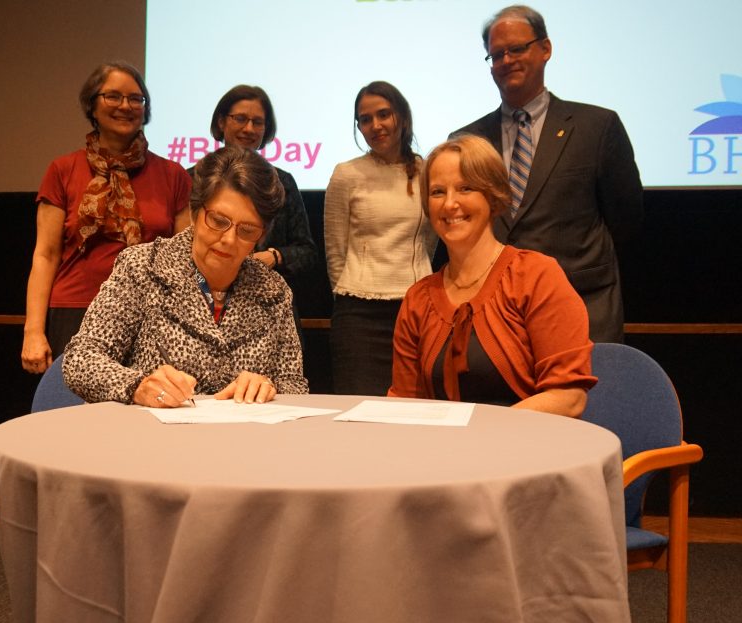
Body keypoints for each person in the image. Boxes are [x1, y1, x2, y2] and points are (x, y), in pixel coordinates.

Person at [62, 145, 309, 407]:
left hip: (241, 440)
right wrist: (137, 386)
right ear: (194, 213)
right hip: (155, 438)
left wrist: (268, 387)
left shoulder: (272, 291)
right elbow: (81, 359)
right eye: (218, 220)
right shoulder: (143, 267)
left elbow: (294, 385)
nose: (228, 240)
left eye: (247, 230)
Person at [452, 5, 642, 343]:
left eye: (517, 48)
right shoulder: (468, 141)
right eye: (496, 55)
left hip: (583, 306)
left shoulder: (597, 128)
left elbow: (625, 220)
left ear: (545, 48)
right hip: (496, 314)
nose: (506, 60)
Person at [389, 135, 596, 416]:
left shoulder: (535, 276)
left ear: (492, 195)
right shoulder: (418, 299)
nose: (450, 204)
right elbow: (404, 402)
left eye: (465, 188)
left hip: (529, 451)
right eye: (438, 192)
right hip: (444, 454)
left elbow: (568, 397)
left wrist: (479, 432)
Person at [21, 61, 192, 374]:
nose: (125, 106)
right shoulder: (62, 170)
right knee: (73, 417)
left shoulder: (173, 175)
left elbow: (186, 258)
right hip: (76, 310)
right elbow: (45, 255)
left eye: (135, 99)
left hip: (151, 313)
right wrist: (33, 331)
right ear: (92, 105)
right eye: (113, 96)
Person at [324, 81, 438, 395]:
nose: (375, 125)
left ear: (401, 116)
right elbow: (335, 252)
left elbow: (430, 241)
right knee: (358, 417)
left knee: (417, 412)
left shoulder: (429, 171)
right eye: (365, 119)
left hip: (417, 311)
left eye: (383, 114)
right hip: (358, 316)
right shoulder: (346, 174)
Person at [198, 85, 318, 310]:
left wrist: (276, 255)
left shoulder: (282, 183)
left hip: (267, 307)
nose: (249, 128)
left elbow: (307, 253)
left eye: (258, 122)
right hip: (202, 303)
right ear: (222, 122)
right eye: (240, 118)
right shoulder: (197, 177)